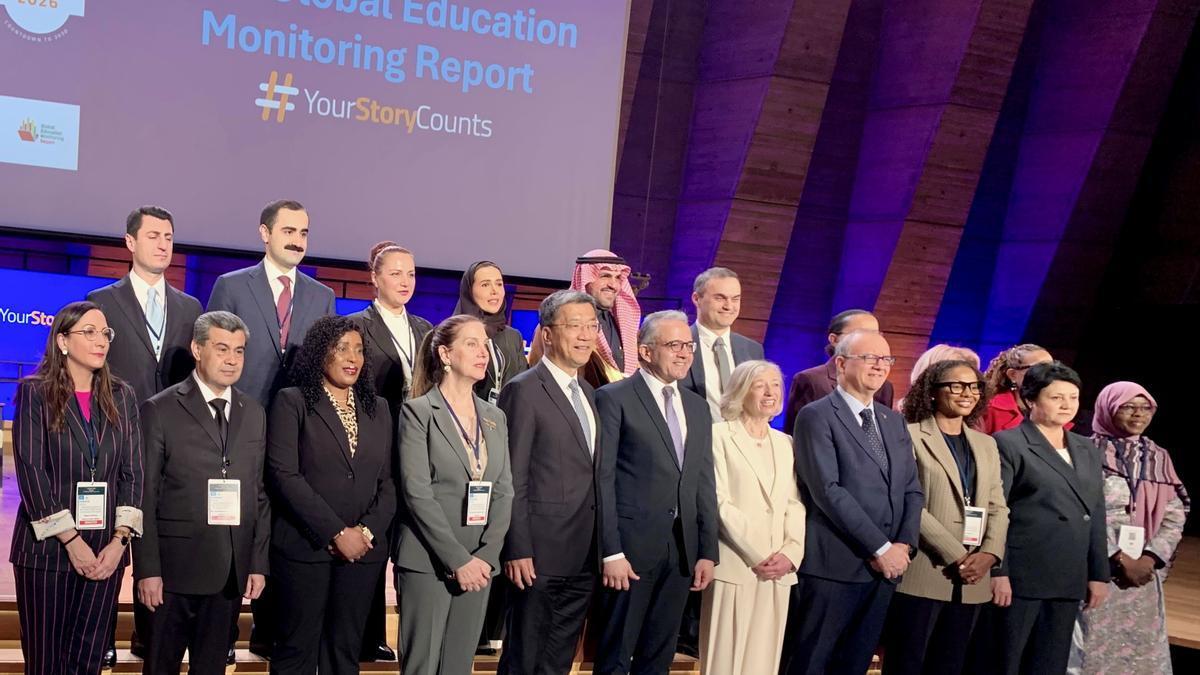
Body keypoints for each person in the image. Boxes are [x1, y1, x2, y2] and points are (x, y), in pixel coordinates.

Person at [207, 198, 336, 656]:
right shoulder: (231, 285)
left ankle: (269, 632)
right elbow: (213, 353)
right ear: (265, 233)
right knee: (230, 524)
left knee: (280, 529)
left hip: (295, 431)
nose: (297, 241)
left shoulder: (322, 296)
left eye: (304, 233)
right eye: (288, 231)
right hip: (237, 424)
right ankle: (220, 635)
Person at [86, 204, 203, 664]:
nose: (162, 244)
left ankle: (150, 634)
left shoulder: (191, 307)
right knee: (110, 534)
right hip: (116, 438)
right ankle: (101, 638)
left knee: (161, 540)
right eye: (153, 236)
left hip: (174, 443)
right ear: (130, 242)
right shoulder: (102, 301)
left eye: (168, 237)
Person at [10, 301, 143, 675]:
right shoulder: (36, 392)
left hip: (106, 554)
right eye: (89, 332)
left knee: (89, 661)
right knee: (47, 663)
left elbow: (133, 473)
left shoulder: (122, 395)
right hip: (48, 553)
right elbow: (32, 474)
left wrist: (119, 543)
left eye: (105, 333)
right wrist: (71, 541)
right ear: (63, 341)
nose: (101, 341)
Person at [134, 311, 270, 675]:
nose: (232, 360)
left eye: (239, 351)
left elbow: (258, 493)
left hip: (229, 573)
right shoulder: (159, 409)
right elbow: (144, 495)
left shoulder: (254, 412)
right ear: (197, 349)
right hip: (173, 573)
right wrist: (147, 570)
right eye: (222, 349)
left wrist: (257, 563)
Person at [783, 330, 923, 675]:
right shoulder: (817, 415)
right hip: (835, 566)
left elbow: (912, 489)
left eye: (886, 359)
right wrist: (880, 548)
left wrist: (903, 545)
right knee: (811, 662)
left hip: (885, 571)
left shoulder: (893, 420)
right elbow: (827, 490)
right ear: (842, 364)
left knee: (856, 664)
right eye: (869, 358)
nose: (880, 366)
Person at [266, 316, 396, 674]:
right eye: (342, 348)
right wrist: (337, 533)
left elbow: (388, 483)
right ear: (320, 353)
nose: (353, 357)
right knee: (296, 652)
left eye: (359, 349)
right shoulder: (292, 402)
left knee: (344, 653)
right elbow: (283, 475)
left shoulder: (379, 408)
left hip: (363, 555)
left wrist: (364, 533)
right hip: (306, 549)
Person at [594, 310, 718, 675]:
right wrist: (611, 550)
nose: (684, 353)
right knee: (616, 655)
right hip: (629, 551)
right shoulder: (613, 398)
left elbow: (703, 481)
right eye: (674, 345)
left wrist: (707, 550)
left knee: (659, 658)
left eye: (688, 346)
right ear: (646, 351)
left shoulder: (697, 406)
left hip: (681, 552)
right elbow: (603, 479)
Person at [393, 315, 514, 675]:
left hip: (480, 563)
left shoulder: (495, 417)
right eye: (471, 344)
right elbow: (417, 493)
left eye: (485, 345)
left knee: (459, 666)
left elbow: (504, 491)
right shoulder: (418, 412)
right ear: (445, 354)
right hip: (428, 559)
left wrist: (486, 557)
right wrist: (458, 561)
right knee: (423, 666)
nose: (483, 353)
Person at [496, 290, 602, 675]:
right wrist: (517, 547)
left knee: (558, 661)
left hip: (583, 553)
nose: (586, 335)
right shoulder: (523, 389)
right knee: (524, 658)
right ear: (547, 334)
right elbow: (512, 476)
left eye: (592, 326)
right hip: (538, 554)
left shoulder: (588, 393)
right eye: (575, 326)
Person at [880, 360, 1009, 675]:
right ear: (932, 392)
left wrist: (990, 554)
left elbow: (998, 505)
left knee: (951, 666)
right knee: (906, 664)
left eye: (974, 386)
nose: (967, 393)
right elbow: (909, 502)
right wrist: (957, 555)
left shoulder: (986, 444)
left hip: (974, 578)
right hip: (926, 571)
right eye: (956, 386)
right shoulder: (908, 435)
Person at [988, 362, 1108, 674]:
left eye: (1073, 397)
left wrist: (1098, 573)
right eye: (1056, 397)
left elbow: (1095, 512)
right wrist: (998, 570)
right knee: (1005, 661)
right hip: (1022, 575)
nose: (1067, 405)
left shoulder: (1086, 447)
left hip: (1068, 575)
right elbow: (996, 510)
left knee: (1050, 664)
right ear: (1031, 399)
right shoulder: (1009, 443)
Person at [347, 240, 433, 662]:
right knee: (374, 538)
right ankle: (367, 635)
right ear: (375, 278)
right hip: (376, 442)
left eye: (411, 274)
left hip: (418, 444)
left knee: (411, 540)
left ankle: (410, 632)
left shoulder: (425, 328)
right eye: (396, 273)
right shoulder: (356, 326)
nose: (405, 281)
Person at [1069, 382, 1189, 673]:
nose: (1138, 414)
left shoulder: (1157, 456)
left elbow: (1175, 514)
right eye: (1128, 407)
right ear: (1107, 409)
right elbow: (1077, 511)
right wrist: (1118, 557)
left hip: (1143, 572)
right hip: (1095, 567)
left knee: (1139, 651)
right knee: (1088, 649)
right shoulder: (1083, 451)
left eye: (1146, 408)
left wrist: (1150, 557)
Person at [700, 360, 805, 675]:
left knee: (764, 661)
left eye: (775, 385)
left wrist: (790, 553)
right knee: (724, 661)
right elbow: (718, 502)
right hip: (737, 564)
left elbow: (794, 503)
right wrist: (759, 553)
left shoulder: (785, 443)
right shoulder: (718, 435)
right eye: (760, 385)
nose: (770, 392)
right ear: (740, 391)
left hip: (779, 571)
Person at [529, 250, 641, 388]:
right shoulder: (555, 325)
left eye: (618, 277)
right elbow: (540, 380)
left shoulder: (622, 327)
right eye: (605, 276)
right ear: (585, 278)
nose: (614, 285)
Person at [783, 309, 895, 433]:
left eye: (875, 335)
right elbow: (798, 433)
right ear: (834, 340)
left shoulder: (884, 387)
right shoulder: (812, 380)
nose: (870, 341)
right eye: (861, 334)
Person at [678, 267, 765, 419]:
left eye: (735, 299)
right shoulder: (677, 345)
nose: (729, 306)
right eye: (720, 298)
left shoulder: (753, 349)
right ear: (696, 299)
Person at [453, 260, 528, 406]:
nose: (495, 291)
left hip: (508, 416)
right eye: (485, 285)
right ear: (469, 291)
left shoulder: (513, 336)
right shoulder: (454, 334)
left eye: (499, 284)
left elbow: (522, 386)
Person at [979, 343, 1052, 434]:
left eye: (1052, 368)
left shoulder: (1060, 408)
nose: (1050, 374)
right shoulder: (990, 410)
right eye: (1039, 368)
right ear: (1013, 375)